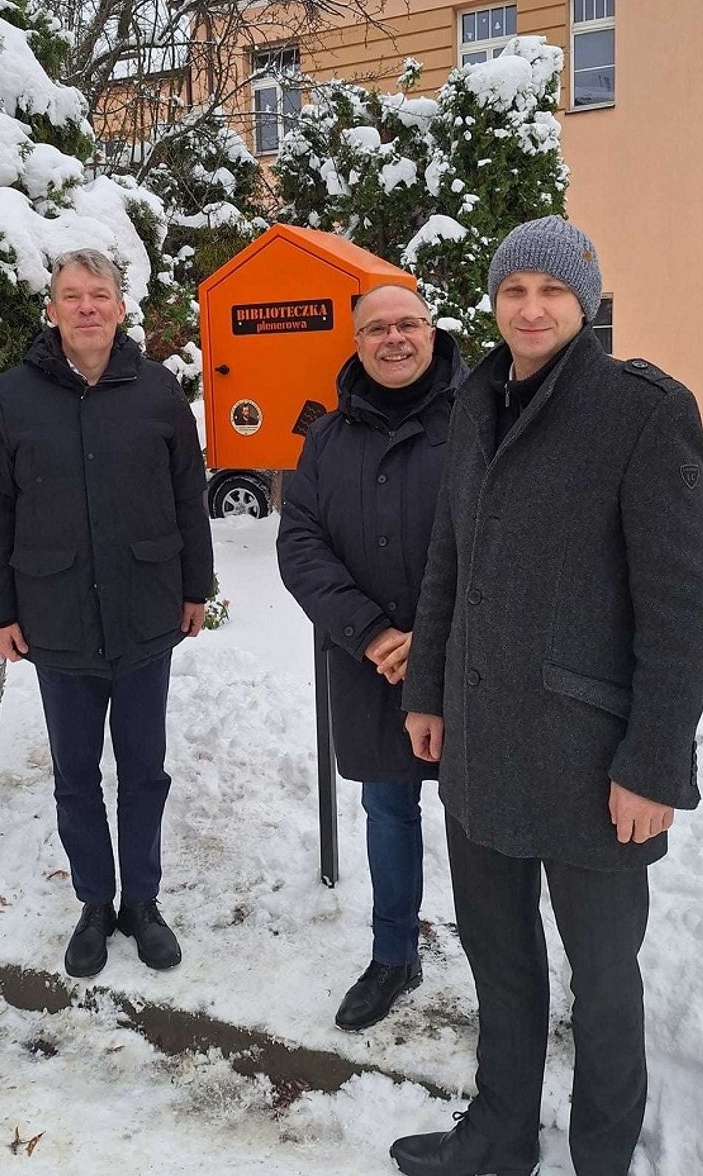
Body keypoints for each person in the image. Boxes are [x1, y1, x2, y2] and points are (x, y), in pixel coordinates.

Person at [390, 217, 703, 1176]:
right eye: (514, 290)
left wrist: (655, 763)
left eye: (552, 291)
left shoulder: (641, 411)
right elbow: (450, 563)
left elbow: (681, 606)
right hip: (483, 742)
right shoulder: (473, 404)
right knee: (501, 961)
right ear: (494, 303)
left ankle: (602, 1155)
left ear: (586, 303)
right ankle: (498, 1137)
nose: (531, 309)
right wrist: (429, 690)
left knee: (605, 978)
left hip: (593, 760)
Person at [0, 248, 213, 978]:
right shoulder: (12, 397)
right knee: (75, 774)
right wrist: (0, 610)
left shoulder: (159, 391)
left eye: (98, 295)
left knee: (144, 770)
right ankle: (94, 904)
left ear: (120, 307)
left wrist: (194, 588)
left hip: (144, 615)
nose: (85, 308)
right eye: (71, 296)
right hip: (57, 617)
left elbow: (186, 497)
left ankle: (142, 902)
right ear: (51, 310)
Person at [277, 283, 464, 1031]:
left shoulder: (481, 416)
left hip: (468, 662)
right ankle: (394, 955)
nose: (394, 339)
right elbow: (300, 542)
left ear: (431, 330)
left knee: (484, 822)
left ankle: (503, 962)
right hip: (368, 665)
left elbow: (503, 536)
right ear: (356, 342)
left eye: (408, 324)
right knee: (387, 809)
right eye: (376, 328)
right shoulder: (326, 437)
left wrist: (434, 638)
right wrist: (374, 635)